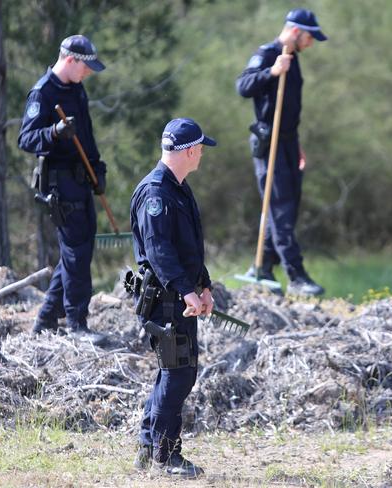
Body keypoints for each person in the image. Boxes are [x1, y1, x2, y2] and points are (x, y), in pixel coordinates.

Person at [129, 118, 216, 478]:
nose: (201, 155)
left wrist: (204, 285)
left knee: (174, 373)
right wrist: (186, 291)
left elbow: (190, 246)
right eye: (200, 149)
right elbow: (160, 252)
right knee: (178, 374)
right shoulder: (156, 193)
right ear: (191, 150)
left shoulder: (178, 187)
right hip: (167, 300)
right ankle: (166, 458)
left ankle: (149, 446)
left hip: (181, 295)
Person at [18, 35, 107, 339]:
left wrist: (97, 167)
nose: (89, 73)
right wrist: (53, 133)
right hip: (59, 183)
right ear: (70, 60)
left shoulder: (77, 89)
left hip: (81, 178)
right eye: (86, 67)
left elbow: (87, 134)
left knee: (79, 251)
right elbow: (26, 139)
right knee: (75, 253)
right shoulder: (42, 93)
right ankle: (77, 324)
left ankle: (45, 320)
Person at [236, 8, 327, 296]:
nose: (311, 43)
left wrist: (297, 144)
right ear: (297, 32)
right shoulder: (267, 53)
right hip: (269, 143)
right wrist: (273, 71)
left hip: (288, 142)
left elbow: (288, 110)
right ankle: (296, 276)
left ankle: (262, 267)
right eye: (310, 37)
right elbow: (243, 85)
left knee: (287, 206)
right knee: (281, 208)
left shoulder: (294, 59)